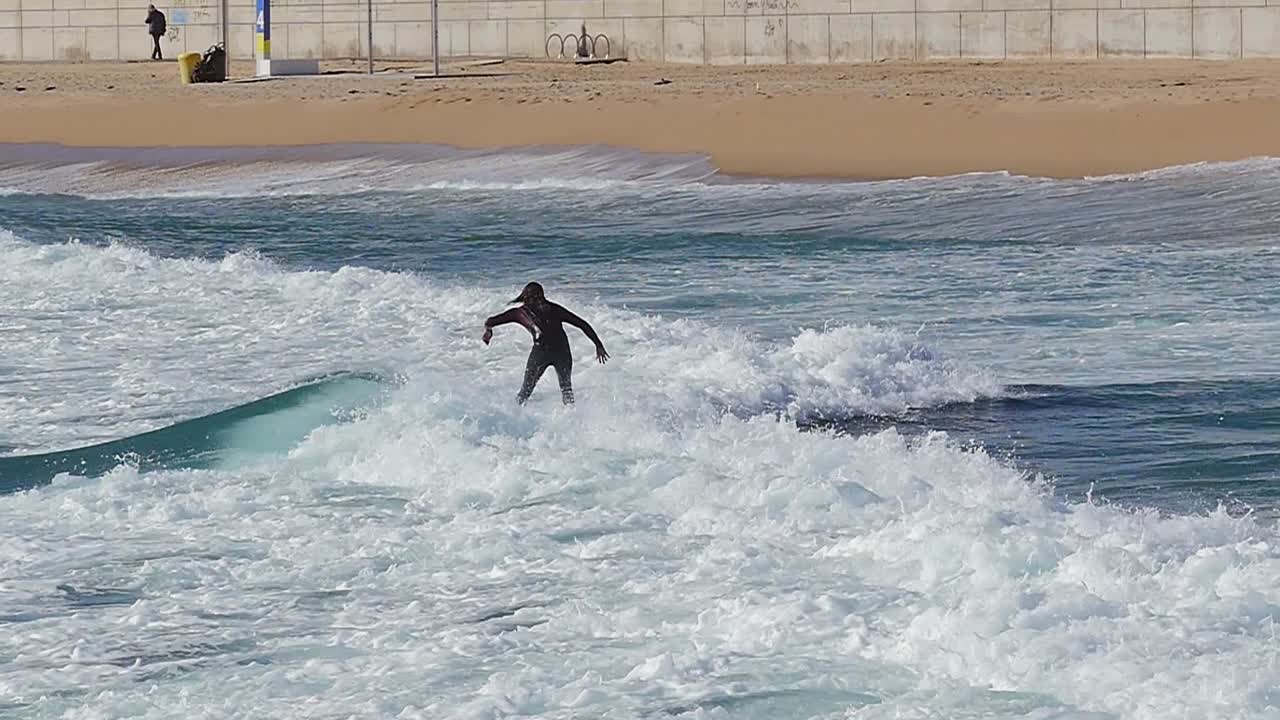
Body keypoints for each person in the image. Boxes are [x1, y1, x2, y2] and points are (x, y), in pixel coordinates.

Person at [483, 282, 609, 406]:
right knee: (566, 390)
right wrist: (598, 345)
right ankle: (572, 416)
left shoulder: (519, 312)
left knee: (525, 392)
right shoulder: (555, 308)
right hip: (562, 351)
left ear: (525, 296)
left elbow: (489, 321)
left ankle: (513, 415)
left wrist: (488, 331)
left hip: (541, 352)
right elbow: (582, 324)